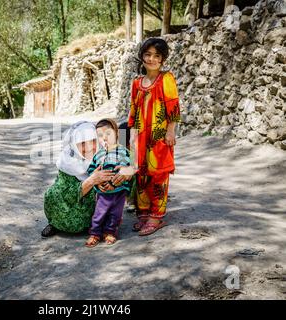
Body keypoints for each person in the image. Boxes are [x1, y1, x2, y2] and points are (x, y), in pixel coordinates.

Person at [127, 37, 181, 236]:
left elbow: (173, 107)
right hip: (139, 135)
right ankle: (143, 212)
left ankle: (156, 216)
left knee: (158, 173)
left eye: (156, 56)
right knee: (140, 172)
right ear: (142, 57)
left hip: (159, 135)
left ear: (163, 59)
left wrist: (170, 131)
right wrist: (131, 134)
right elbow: (133, 109)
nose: (152, 59)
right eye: (148, 55)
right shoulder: (136, 82)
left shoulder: (166, 79)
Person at [42, 121, 116, 237]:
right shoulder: (67, 162)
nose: (89, 147)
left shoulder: (104, 156)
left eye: (92, 141)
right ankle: (55, 224)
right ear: (73, 144)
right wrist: (91, 181)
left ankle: (96, 226)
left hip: (93, 205)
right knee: (52, 194)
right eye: (82, 143)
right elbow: (66, 194)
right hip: (73, 203)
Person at [85, 119, 132, 247]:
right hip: (103, 192)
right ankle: (95, 233)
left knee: (115, 214)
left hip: (119, 191)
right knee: (99, 213)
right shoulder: (98, 155)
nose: (104, 138)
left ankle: (110, 231)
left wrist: (123, 169)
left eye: (108, 134)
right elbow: (91, 170)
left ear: (117, 134)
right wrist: (94, 178)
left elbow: (128, 166)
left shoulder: (123, 151)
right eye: (100, 135)